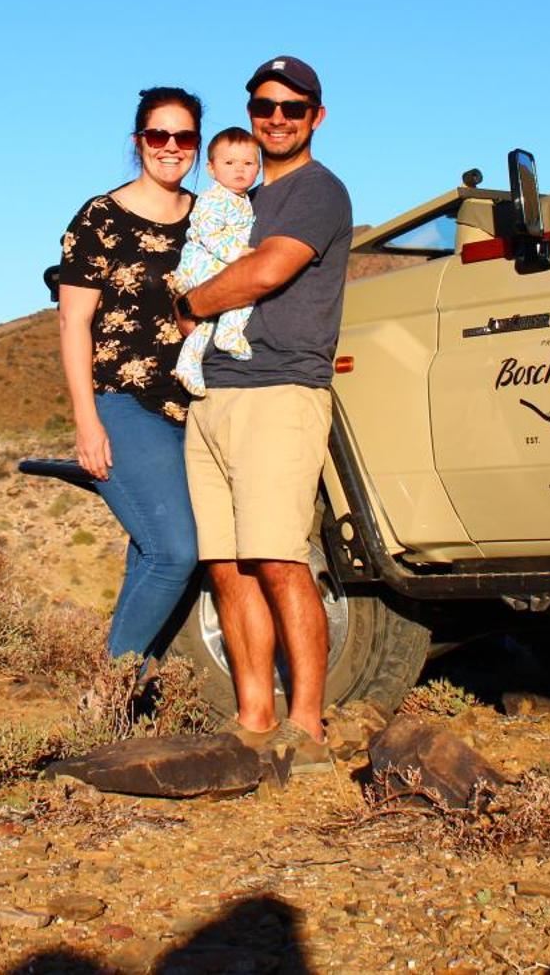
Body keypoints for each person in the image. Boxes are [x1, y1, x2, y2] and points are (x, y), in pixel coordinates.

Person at [174, 56, 350, 769]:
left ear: (317, 116)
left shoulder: (317, 191)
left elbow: (267, 269)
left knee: (279, 560)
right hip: (213, 391)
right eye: (264, 106)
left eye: (293, 107)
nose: (277, 117)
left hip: (279, 392)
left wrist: (185, 303)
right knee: (226, 566)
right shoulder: (234, 193)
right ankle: (253, 717)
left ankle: (305, 724)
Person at [55, 87, 205, 660]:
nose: (171, 147)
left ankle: (132, 697)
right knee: (175, 553)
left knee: (149, 552)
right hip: (123, 403)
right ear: (138, 141)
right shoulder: (101, 217)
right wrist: (87, 422)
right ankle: (108, 692)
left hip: (196, 407)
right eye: (158, 135)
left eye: (184, 137)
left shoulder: (210, 218)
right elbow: (74, 322)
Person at [167, 127, 260, 396]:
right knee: (243, 288)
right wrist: (237, 253)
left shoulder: (243, 200)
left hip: (214, 263)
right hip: (202, 263)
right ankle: (230, 332)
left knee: (207, 321)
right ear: (211, 168)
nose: (239, 169)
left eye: (248, 163)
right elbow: (208, 233)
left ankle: (189, 364)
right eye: (229, 163)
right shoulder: (213, 198)